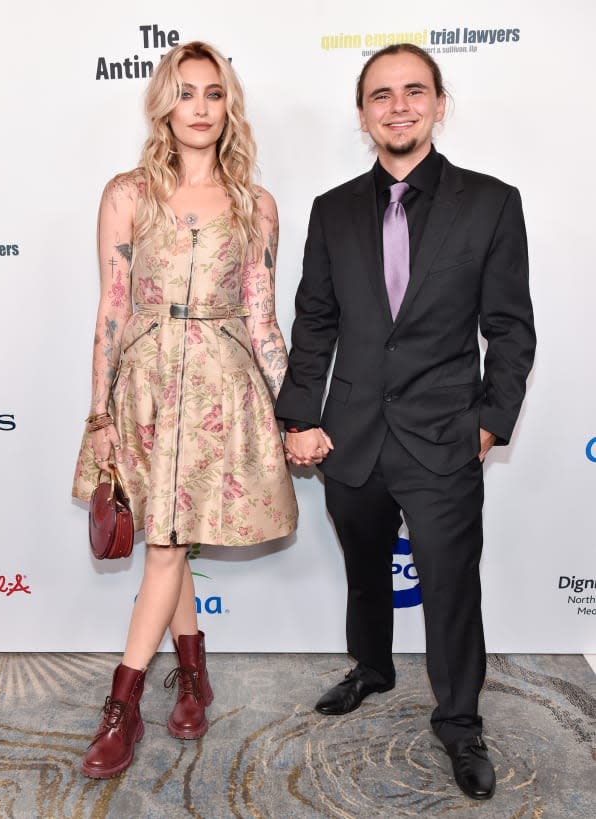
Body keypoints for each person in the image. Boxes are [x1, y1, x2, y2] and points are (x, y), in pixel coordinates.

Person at [274, 44, 535, 801]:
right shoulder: (331, 210)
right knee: (365, 573)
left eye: (413, 91)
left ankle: (459, 722)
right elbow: (314, 322)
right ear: (363, 114)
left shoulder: (490, 202)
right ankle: (374, 667)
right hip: (348, 435)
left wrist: (489, 423)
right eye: (381, 95)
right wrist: (298, 418)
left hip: (444, 435)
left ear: (439, 103)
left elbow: (510, 329)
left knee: (452, 588)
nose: (398, 105)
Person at [72, 40, 297, 779]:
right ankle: (191, 676)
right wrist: (99, 413)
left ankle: (123, 705)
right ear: (164, 103)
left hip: (218, 389)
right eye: (186, 92)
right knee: (165, 540)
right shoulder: (126, 193)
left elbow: (263, 319)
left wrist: (292, 411)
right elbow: (109, 310)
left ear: (229, 106)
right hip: (142, 382)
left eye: (214, 93)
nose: (200, 108)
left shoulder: (254, 205)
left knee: (169, 544)